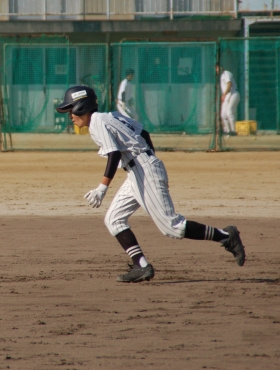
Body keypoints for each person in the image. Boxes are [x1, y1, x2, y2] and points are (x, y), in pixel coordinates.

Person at [55, 86, 245, 283]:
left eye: (70, 110)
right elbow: (144, 133)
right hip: (139, 169)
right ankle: (142, 266)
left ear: (81, 106)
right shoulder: (110, 116)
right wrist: (148, 160)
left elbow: (114, 154)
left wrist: (102, 187)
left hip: (143, 170)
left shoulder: (96, 122)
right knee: (114, 219)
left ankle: (225, 236)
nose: (70, 116)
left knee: (172, 227)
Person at [218, 64, 240, 136]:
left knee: (229, 112)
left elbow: (229, 84)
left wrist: (224, 94)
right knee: (223, 114)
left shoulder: (226, 73)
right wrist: (224, 95)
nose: (216, 70)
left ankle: (233, 130)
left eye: (217, 68)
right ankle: (227, 130)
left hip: (233, 94)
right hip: (227, 96)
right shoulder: (221, 76)